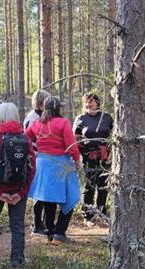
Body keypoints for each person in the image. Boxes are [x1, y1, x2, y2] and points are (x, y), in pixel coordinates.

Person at [0, 102, 35, 269]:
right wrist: (22, 192)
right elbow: (31, 169)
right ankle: (17, 261)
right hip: (18, 190)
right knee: (17, 226)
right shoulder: (25, 139)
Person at [25, 96, 82, 245]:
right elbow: (71, 146)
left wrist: (34, 152)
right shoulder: (63, 123)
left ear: (44, 108)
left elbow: (26, 137)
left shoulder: (37, 123)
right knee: (72, 194)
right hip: (61, 163)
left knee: (47, 199)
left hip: (42, 164)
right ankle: (60, 233)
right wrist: (77, 161)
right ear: (58, 108)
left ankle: (50, 234)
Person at [73, 93, 113, 227]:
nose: (88, 104)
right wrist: (77, 158)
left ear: (97, 102)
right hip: (87, 157)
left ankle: (102, 212)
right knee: (89, 186)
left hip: (105, 157)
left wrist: (111, 153)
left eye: (91, 101)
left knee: (103, 186)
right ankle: (88, 215)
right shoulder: (81, 118)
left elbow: (113, 135)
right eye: (86, 101)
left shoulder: (106, 117)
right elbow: (75, 139)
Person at [24, 90, 51, 236]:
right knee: (38, 192)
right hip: (36, 158)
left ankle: (46, 223)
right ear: (41, 103)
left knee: (45, 192)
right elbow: (28, 138)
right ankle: (37, 224)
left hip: (45, 158)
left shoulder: (43, 116)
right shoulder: (32, 118)